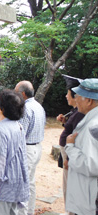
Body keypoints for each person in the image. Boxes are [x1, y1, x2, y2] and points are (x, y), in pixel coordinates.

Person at [0, 89, 29, 214]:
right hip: (16, 182)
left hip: (3, 187)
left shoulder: (0, 130)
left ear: (2, 108)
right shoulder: (18, 126)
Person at [65, 78, 98, 215]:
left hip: (89, 202)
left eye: (78, 96)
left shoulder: (93, 127)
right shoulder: (91, 120)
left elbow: (91, 165)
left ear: (89, 100)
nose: (75, 100)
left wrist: (70, 147)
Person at [15, 81, 46, 215]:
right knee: (30, 183)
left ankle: (23, 213)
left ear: (22, 94)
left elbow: (21, 134)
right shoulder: (38, 106)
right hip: (37, 148)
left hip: (27, 150)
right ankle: (30, 212)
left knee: (23, 185)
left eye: (16, 92)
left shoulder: (26, 109)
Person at [56, 75, 85, 215]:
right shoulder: (76, 111)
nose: (66, 96)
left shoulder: (81, 113)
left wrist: (69, 159)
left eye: (68, 93)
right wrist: (64, 122)